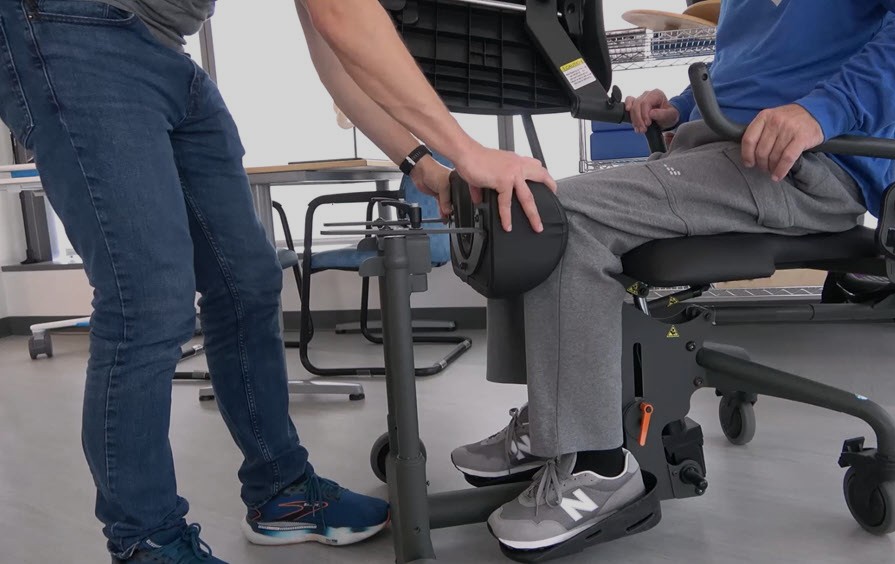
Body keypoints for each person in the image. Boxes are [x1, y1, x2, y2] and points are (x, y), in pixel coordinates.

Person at [0, 0, 553, 562]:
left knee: (248, 284)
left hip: (166, 50)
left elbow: (337, 58)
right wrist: (469, 151)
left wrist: (427, 165)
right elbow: (343, 14)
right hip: (66, 30)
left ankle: (281, 492)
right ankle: (146, 541)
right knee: (148, 302)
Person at [450, 0, 895, 552]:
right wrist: (681, 107)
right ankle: (552, 423)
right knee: (518, 201)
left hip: (805, 165)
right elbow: (750, 67)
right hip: (716, 151)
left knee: (555, 216)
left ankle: (599, 466)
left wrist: (823, 110)